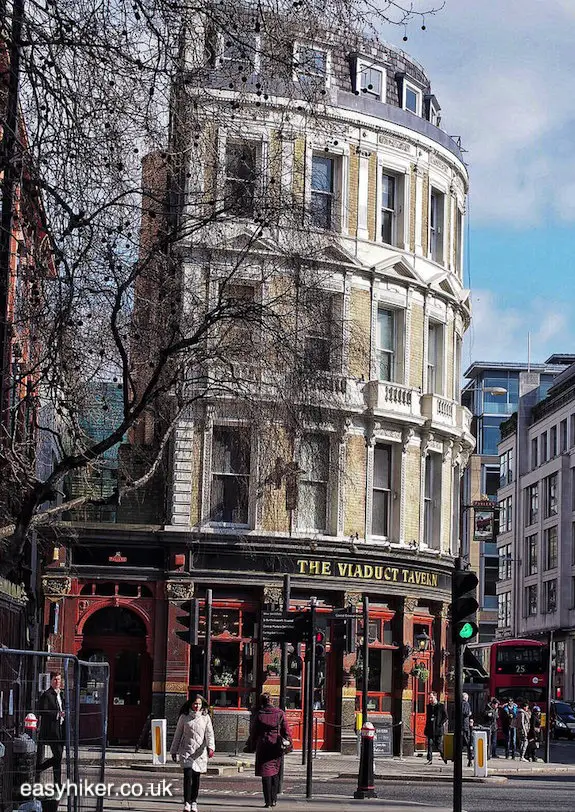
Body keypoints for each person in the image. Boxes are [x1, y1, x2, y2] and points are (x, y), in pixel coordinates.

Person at [170, 694, 215, 812]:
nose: (197, 706)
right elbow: (178, 734)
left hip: (199, 753)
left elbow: (209, 734)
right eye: (195, 703)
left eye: (199, 704)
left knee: (196, 777)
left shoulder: (206, 718)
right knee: (187, 776)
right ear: (191, 704)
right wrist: (173, 750)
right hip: (186, 751)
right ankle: (187, 802)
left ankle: (194, 801)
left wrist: (211, 748)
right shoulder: (184, 717)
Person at [247, 693, 292, 808]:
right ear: (271, 700)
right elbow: (286, 730)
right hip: (275, 745)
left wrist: (251, 745)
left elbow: (254, 732)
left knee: (265, 773)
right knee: (275, 771)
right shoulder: (280, 713)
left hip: (263, 745)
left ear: (262, 702)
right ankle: (274, 799)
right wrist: (289, 744)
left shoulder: (259, 714)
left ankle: (267, 801)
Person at [36, 672, 66, 785]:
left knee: (58, 758)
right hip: (52, 730)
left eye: (59, 679)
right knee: (57, 756)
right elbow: (43, 711)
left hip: (61, 729)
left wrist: (63, 714)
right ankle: (39, 768)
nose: (57, 682)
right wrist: (57, 714)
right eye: (55, 680)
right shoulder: (47, 695)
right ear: (51, 681)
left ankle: (57, 784)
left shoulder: (61, 694)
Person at [424, 691, 448, 765]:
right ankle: (430, 759)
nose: (430, 699)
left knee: (438, 745)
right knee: (430, 744)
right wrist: (426, 728)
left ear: (435, 697)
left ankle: (444, 756)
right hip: (430, 728)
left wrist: (440, 724)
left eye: (431, 697)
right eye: (429, 697)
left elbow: (445, 717)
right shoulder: (429, 706)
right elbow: (428, 718)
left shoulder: (441, 706)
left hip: (438, 729)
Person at [461, 691, 474, 767]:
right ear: (466, 698)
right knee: (469, 743)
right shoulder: (466, 704)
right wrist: (469, 713)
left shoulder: (458, 704)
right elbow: (465, 712)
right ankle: (470, 759)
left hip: (459, 726)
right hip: (465, 726)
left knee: (460, 744)